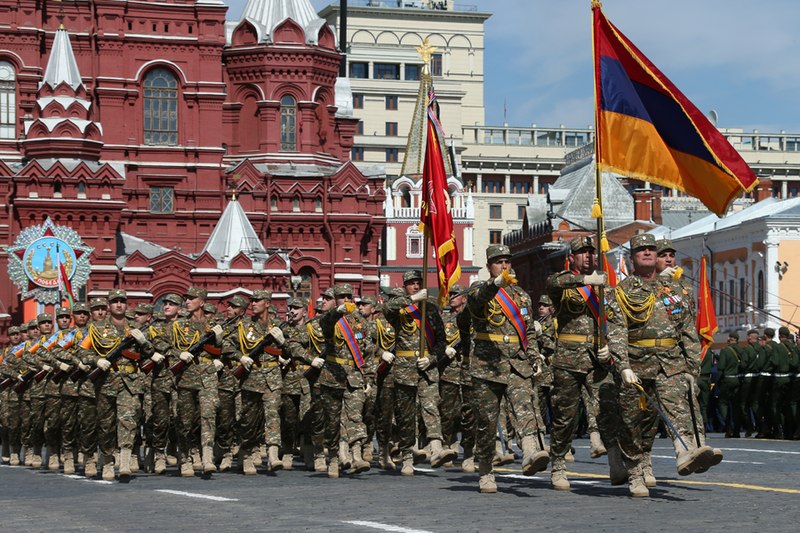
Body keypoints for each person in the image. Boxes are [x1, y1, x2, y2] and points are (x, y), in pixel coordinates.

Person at [615, 233, 722, 498]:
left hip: (670, 361)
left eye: (652, 249)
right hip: (637, 363)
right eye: (641, 250)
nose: (648, 253)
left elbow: (687, 331)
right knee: (634, 423)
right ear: (633, 258)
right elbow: (617, 332)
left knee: (678, 408)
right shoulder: (620, 291)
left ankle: (685, 452)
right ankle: (636, 472)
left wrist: (691, 368)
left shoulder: (675, 290)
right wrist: (623, 365)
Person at [545, 236, 626, 491]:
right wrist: (585, 280)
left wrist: (610, 351)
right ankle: (558, 465)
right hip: (568, 359)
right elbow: (552, 283)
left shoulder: (606, 288)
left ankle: (616, 463)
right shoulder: (565, 284)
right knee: (564, 416)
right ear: (572, 257)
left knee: (608, 410)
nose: (588, 257)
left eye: (591, 252)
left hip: (598, 359)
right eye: (582, 253)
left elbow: (615, 323)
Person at [467, 244, 548, 494]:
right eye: (499, 262)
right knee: (487, 421)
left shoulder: (522, 296)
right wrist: (496, 284)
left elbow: (528, 331)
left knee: (525, 406)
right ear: (489, 265)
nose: (505, 266)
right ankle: (486, 471)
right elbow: (478, 301)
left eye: (507, 262)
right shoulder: (479, 290)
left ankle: (530, 452)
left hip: (517, 361)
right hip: (487, 364)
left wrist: (534, 357)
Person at [77, 290, 154, 480]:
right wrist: (96, 361)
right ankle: (108, 461)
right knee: (106, 425)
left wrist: (143, 342)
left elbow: (150, 352)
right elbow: (82, 351)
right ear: (109, 306)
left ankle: (125, 463)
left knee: (128, 421)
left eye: (122, 301)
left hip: (130, 382)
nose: (119, 305)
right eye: (115, 302)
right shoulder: (96, 328)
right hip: (106, 382)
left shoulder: (135, 328)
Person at [384, 271, 455, 476]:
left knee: (431, 407)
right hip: (405, 369)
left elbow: (441, 341)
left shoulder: (431, 309)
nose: (415, 286)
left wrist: (432, 358)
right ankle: (407, 455)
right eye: (411, 284)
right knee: (406, 415)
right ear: (405, 287)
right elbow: (387, 308)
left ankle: (436, 448)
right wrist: (413, 300)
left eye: (418, 283)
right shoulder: (400, 310)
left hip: (427, 368)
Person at [315, 283, 373, 478]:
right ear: (335, 300)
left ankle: (356, 456)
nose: (346, 300)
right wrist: (337, 312)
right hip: (332, 376)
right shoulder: (329, 320)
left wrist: (370, 379)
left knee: (355, 417)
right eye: (341, 297)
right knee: (332, 422)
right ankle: (333, 457)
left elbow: (368, 352)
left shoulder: (362, 322)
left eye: (349, 296)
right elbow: (325, 325)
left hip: (354, 377)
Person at [165, 286, 224, 476]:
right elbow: (165, 347)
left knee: (208, 416)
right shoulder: (178, 326)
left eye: (192, 298)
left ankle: (207, 458)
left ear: (202, 302)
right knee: (185, 421)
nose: (187, 301)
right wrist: (178, 354)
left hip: (207, 374)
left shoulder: (214, 325)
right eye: (186, 298)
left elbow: (228, 350)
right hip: (186, 376)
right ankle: (186, 458)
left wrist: (220, 342)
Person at [439, 284, 477, 473]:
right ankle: (448, 445)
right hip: (449, 371)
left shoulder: (475, 317)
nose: (452, 297)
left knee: (469, 413)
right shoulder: (444, 318)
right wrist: (443, 349)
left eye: (457, 294)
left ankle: (469, 451)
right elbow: (436, 341)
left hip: (470, 369)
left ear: (465, 298)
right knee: (448, 412)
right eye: (451, 294)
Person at [716, 332, 743, 437]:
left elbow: (721, 367)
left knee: (723, 403)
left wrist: (717, 380)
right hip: (737, 380)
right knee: (736, 405)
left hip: (727, 380)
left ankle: (728, 427)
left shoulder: (725, 351)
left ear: (730, 339)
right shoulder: (742, 350)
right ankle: (737, 430)